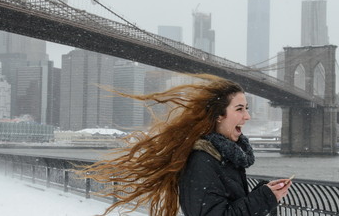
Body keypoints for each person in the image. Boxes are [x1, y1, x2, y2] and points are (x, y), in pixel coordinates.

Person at [79, 74, 291, 216]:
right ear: (218, 115)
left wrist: (263, 192)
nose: (247, 116)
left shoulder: (226, 156)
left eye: (247, 108)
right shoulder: (203, 160)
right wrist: (264, 199)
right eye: (240, 109)